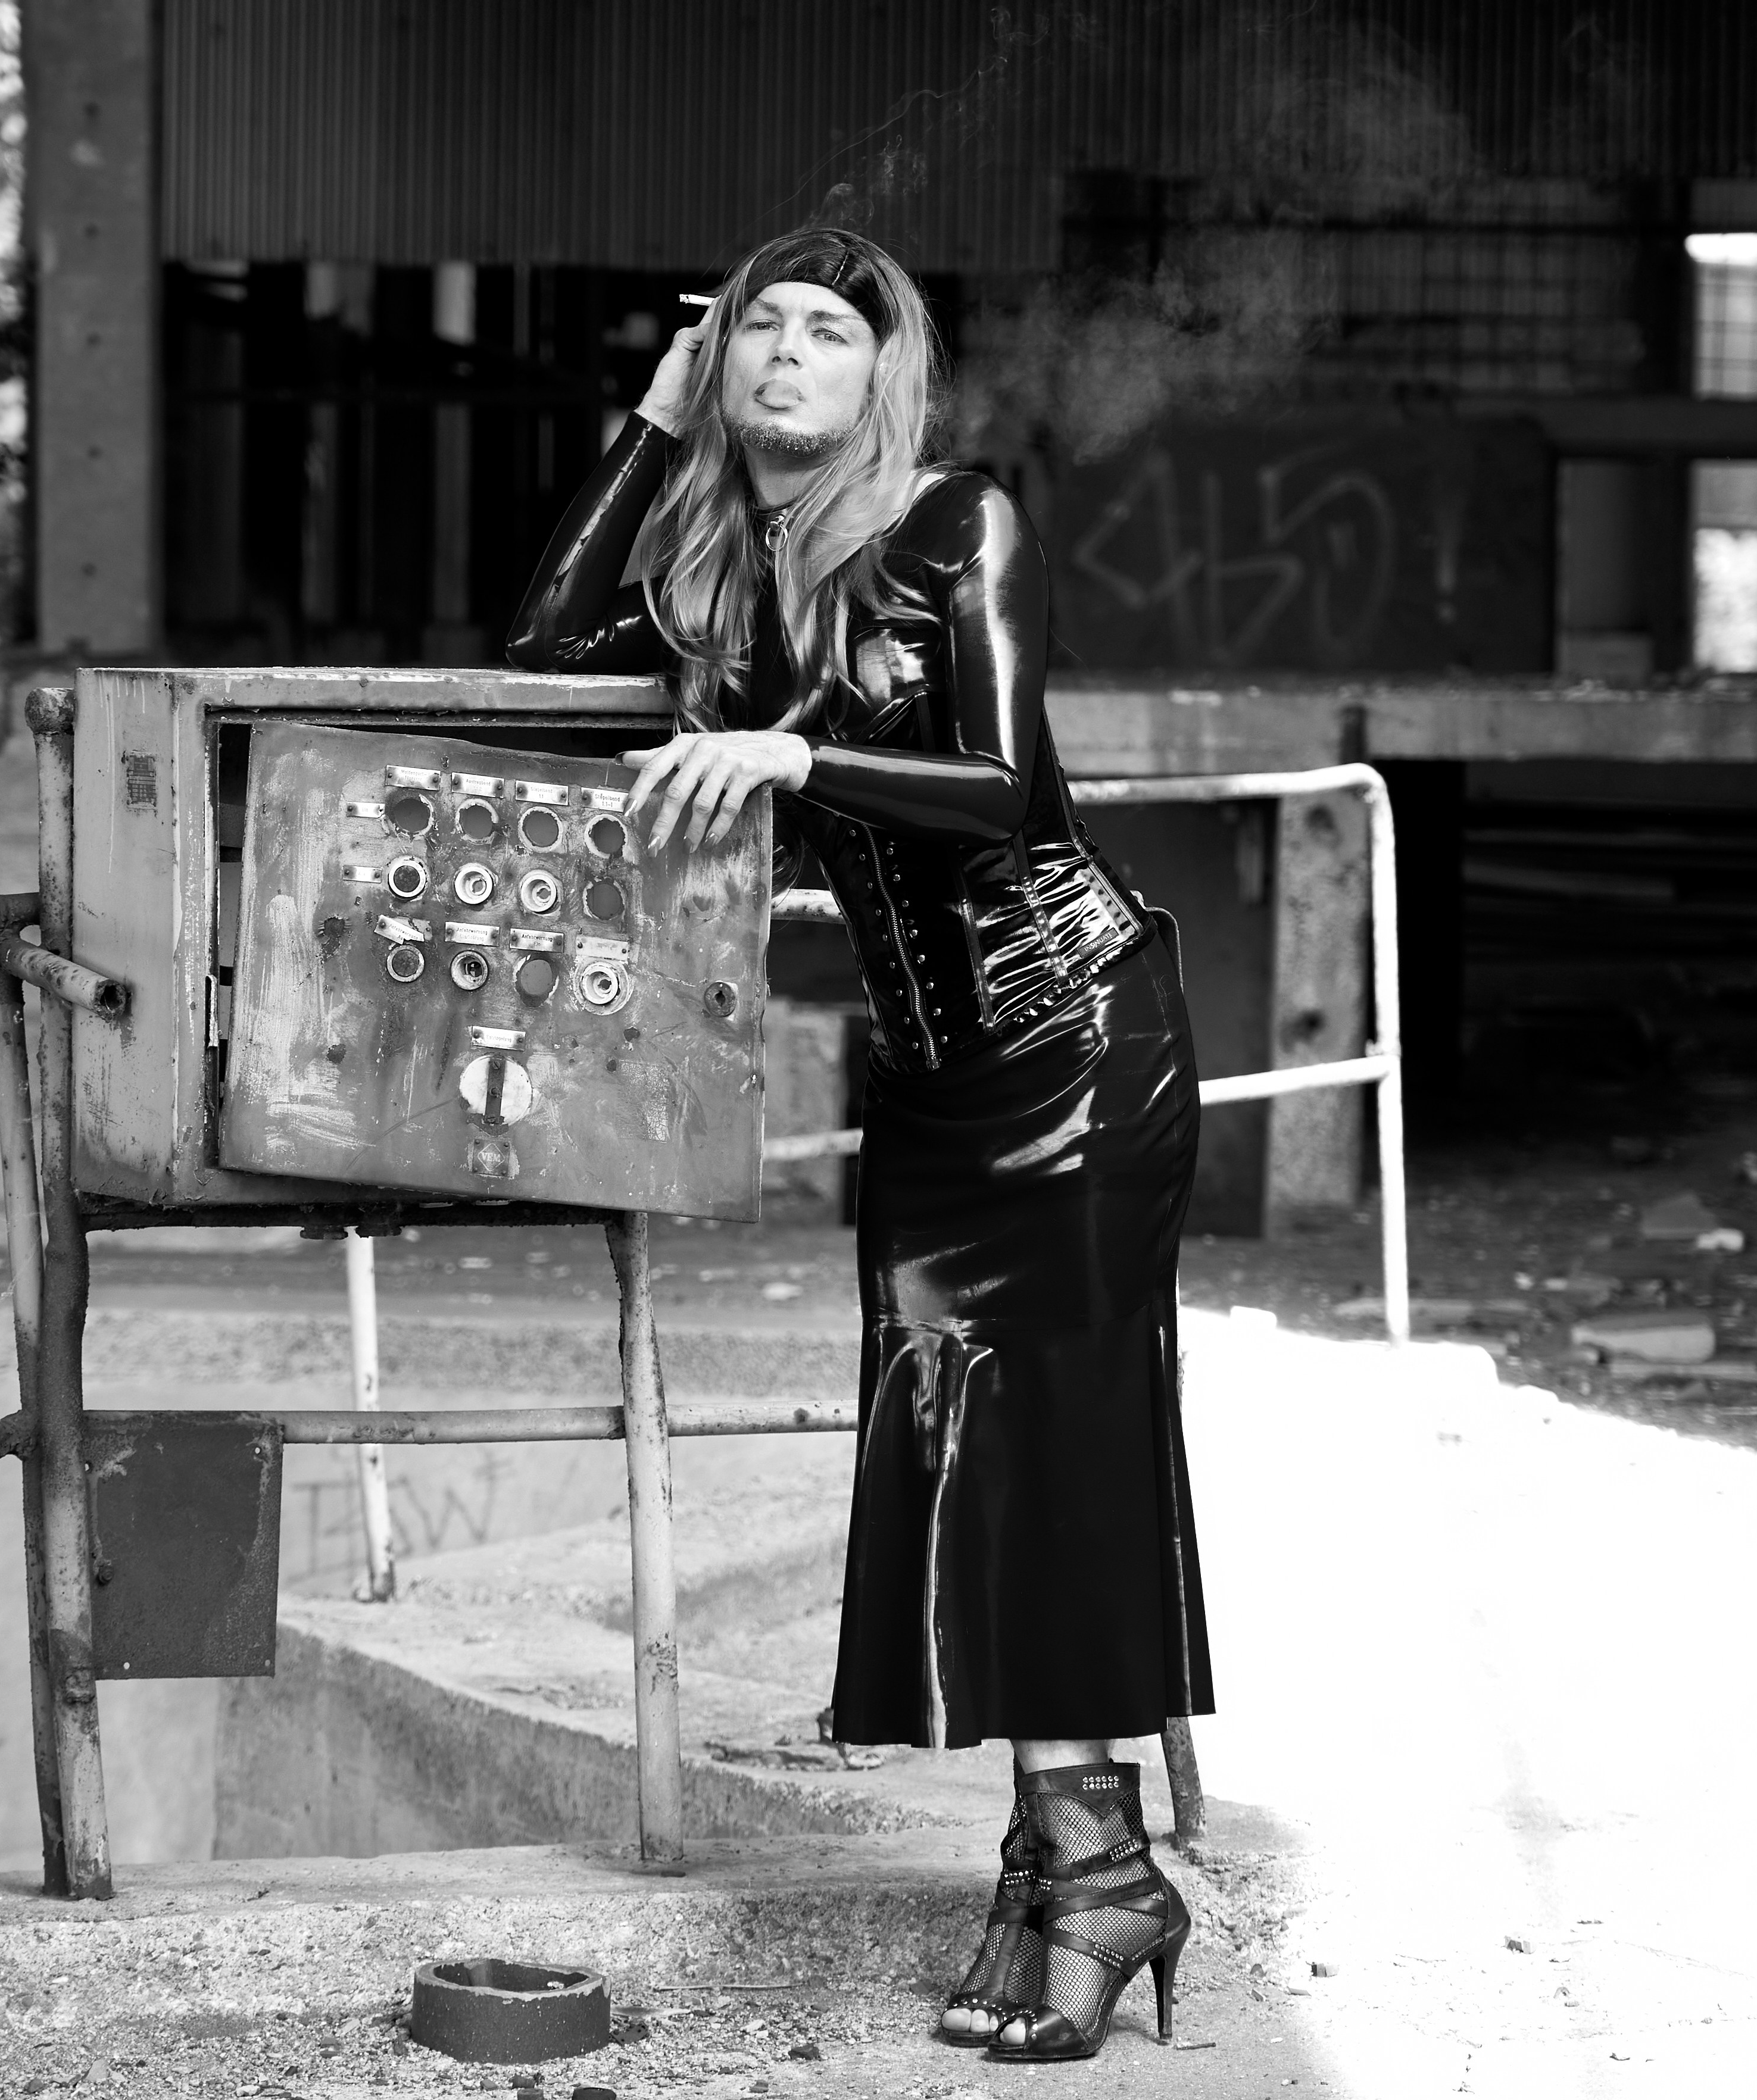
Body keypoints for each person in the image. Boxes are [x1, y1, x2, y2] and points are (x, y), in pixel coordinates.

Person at [507, 227, 1212, 2064]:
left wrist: (791, 764)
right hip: (932, 1079)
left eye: (832, 331)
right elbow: (545, 646)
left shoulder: (952, 526)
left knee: (1048, 1449)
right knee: (958, 1447)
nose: (788, 356)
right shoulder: (725, 580)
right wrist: (653, 430)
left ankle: (1093, 1868)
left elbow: (998, 788)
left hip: (1072, 1041)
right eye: (759, 332)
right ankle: (1066, 1873)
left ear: (884, 373)